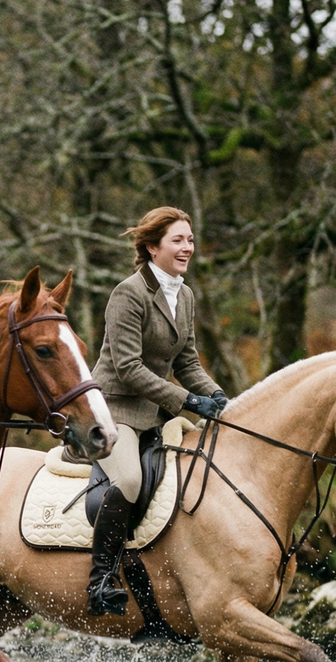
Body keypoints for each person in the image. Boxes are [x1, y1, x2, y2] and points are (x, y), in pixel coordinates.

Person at [88, 206, 227, 616]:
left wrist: (220, 398)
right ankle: (100, 581)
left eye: (190, 239)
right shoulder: (127, 294)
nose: (188, 248)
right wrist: (187, 401)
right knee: (129, 479)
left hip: (157, 414)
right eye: (178, 240)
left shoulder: (184, 295)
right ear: (152, 247)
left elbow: (188, 364)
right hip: (114, 409)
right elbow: (128, 369)